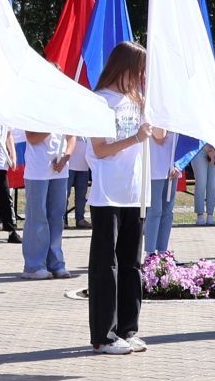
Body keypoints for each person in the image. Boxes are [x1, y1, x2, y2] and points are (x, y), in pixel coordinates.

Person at [87, 41, 159, 355]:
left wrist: (151, 107)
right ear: (125, 67)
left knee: (132, 264)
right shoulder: (100, 101)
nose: (142, 75)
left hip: (134, 193)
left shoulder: (138, 101)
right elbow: (100, 149)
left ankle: (128, 330)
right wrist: (134, 137)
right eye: (139, 69)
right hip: (107, 194)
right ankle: (104, 335)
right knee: (107, 265)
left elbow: (160, 137)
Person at [21, 128, 73, 280]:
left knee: (56, 217)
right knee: (37, 216)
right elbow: (32, 138)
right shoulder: (36, 106)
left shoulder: (64, 108)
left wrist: (66, 156)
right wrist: (54, 124)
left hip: (60, 169)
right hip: (38, 169)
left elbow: (72, 136)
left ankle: (56, 263)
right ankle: (34, 265)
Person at [142, 124, 181, 257]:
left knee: (167, 211)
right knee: (155, 210)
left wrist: (179, 164)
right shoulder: (153, 110)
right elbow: (160, 136)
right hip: (155, 166)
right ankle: (150, 252)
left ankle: (163, 251)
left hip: (173, 166)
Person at [190, 142, 215, 225]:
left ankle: (210, 215)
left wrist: (213, 149)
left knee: (212, 185)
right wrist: (208, 149)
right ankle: (200, 215)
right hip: (198, 148)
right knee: (201, 183)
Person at [65, 137, 91, 230]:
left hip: (84, 166)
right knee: (65, 194)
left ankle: (80, 219)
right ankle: (62, 220)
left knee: (81, 196)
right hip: (69, 165)